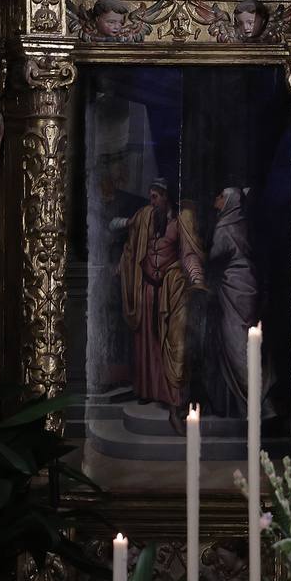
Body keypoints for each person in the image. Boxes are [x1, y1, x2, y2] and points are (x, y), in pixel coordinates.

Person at [112, 179, 205, 422]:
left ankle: (167, 394)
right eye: (150, 195)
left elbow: (188, 255)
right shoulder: (145, 217)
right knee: (144, 342)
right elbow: (122, 227)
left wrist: (196, 279)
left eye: (156, 196)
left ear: (166, 198)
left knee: (164, 340)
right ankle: (146, 390)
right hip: (145, 288)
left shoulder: (179, 222)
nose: (152, 201)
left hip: (168, 290)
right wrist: (124, 259)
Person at [202, 187, 264, 420]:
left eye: (219, 196)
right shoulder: (241, 223)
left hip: (234, 289)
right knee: (240, 341)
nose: (215, 199)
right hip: (247, 284)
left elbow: (214, 257)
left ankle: (256, 398)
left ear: (228, 202)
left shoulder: (224, 228)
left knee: (235, 345)